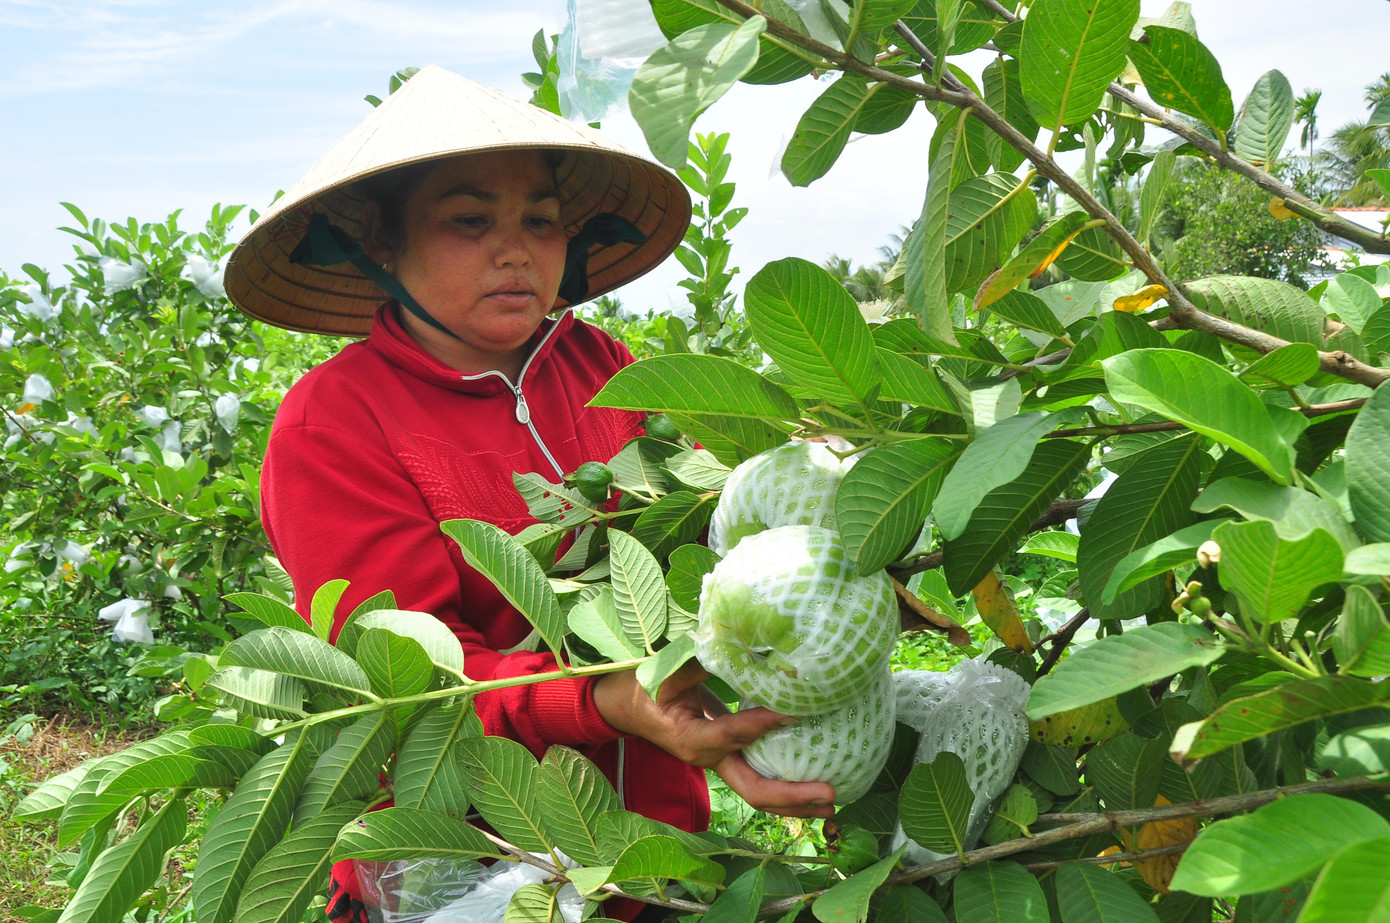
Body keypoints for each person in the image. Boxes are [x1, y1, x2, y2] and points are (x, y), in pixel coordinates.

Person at [224, 66, 834, 922]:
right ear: (382, 240)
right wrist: (607, 699)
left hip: (656, 857)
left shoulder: (604, 366)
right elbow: (416, 687)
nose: (516, 252)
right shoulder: (334, 422)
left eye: (540, 221)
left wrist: (838, 543)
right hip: (470, 866)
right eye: (470, 221)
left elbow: (717, 535)